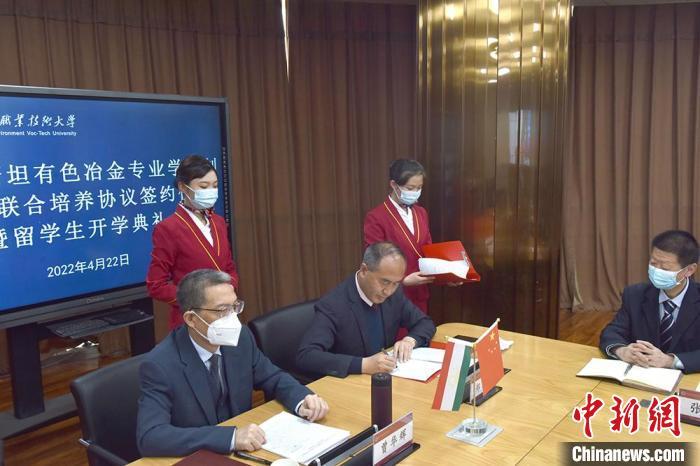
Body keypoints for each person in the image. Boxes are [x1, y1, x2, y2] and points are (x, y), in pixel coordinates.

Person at [137, 269, 329, 457]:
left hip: (248, 452)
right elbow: (151, 436)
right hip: (200, 458)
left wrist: (302, 399)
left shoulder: (241, 338)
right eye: (222, 310)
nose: (232, 318)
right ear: (191, 319)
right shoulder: (159, 365)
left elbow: (272, 377)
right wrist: (230, 438)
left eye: (234, 307)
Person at [296, 242, 436, 379]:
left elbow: (425, 323)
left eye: (395, 283)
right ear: (364, 270)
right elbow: (307, 356)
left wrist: (410, 340)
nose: (388, 291)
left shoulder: (394, 294)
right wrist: (363, 365)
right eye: (385, 282)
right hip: (350, 383)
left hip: (388, 377)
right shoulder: (333, 305)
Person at [146, 155, 239, 329]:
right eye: (203, 186)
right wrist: (198, 300)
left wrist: (227, 292)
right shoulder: (168, 228)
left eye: (215, 186)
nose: (211, 191)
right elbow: (156, 285)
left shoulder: (218, 222)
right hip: (192, 319)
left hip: (225, 313)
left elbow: (229, 267)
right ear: (183, 187)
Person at [600, 230, 700, 373]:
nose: (656, 271)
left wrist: (670, 361)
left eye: (665, 267)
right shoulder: (635, 294)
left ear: (689, 270)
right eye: (653, 263)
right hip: (641, 375)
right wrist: (622, 351)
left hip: (688, 379)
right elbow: (612, 331)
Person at [363, 159, 435, 315]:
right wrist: (404, 281)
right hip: (392, 296)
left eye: (419, 188)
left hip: (420, 294)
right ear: (394, 185)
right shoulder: (376, 217)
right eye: (410, 188)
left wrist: (447, 275)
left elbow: (428, 250)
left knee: (421, 329)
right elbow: (375, 262)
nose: (415, 192)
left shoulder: (421, 213)